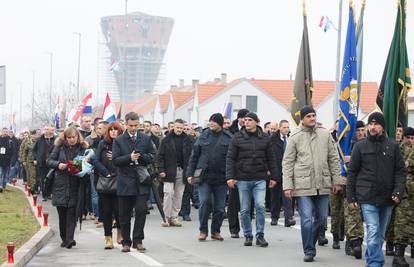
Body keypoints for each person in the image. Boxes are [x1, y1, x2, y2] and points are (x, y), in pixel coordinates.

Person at [283, 106, 342, 262]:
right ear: (302, 118)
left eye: (313, 115)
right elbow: (287, 162)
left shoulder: (324, 134)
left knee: (322, 219)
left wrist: (337, 181)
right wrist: (288, 185)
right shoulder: (295, 136)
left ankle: (311, 243)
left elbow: (333, 158)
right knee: (307, 219)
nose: (312, 118)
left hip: (322, 183)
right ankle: (309, 250)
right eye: (308, 116)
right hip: (303, 184)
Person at [347, 112, 406, 267]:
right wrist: (351, 197)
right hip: (367, 196)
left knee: (380, 234)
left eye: (376, 124)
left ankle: (370, 257)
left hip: (387, 197)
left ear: (382, 127)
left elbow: (400, 171)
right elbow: (352, 172)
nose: (372, 127)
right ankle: (375, 262)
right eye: (370, 124)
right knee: (373, 229)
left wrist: (398, 191)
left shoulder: (392, 146)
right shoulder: (360, 146)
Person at [226, 112, 278, 248]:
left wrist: (274, 176)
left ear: (256, 122)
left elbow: (271, 158)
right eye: (245, 120)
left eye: (250, 120)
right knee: (244, 209)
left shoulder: (265, 138)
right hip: (242, 178)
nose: (246, 122)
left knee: (260, 206)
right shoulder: (237, 137)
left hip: (260, 178)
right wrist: (230, 177)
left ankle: (260, 235)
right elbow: (230, 158)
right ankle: (248, 235)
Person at [112, 112, 156, 253]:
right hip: (125, 180)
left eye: (136, 125)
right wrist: (129, 157)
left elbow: (152, 156)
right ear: (125, 124)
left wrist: (141, 156)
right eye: (131, 125)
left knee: (141, 211)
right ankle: (126, 241)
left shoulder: (145, 138)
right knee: (124, 214)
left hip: (141, 181)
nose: (133, 128)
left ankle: (138, 240)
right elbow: (115, 161)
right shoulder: (119, 140)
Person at [187, 113, 232, 241]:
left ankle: (215, 231)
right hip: (204, 177)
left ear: (220, 124)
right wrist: (190, 174)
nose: (211, 123)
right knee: (205, 202)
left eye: (214, 121)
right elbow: (194, 157)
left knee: (219, 206)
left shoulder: (229, 138)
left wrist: (232, 176)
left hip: (221, 177)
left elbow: (232, 158)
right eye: (210, 121)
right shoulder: (203, 136)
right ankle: (203, 230)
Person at [47, 127, 89, 249]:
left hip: (76, 184)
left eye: (73, 137)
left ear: (78, 137)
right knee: (62, 214)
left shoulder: (83, 148)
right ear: (65, 138)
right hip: (60, 184)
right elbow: (49, 161)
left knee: (72, 212)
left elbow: (89, 163)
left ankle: (70, 239)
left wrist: (83, 165)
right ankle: (64, 238)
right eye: (69, 137)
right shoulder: (59, 147)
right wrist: (58, 164)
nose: (71, 140)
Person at [93, 121, 124, 249]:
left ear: (119, 131)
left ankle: (120, 234)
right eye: (110, 130)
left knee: (119, 211)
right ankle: (108, 238)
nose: (113, 132)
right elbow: (96, 160)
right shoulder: (102, 143)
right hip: (105, 181)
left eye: (115, 129)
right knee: (106, 211)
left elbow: (127, 159)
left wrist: (116, 158)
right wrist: (105, 172)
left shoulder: (123, 144)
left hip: (120, 180)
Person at [157, 119, 194, 226]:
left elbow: (192, 157)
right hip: (168, 170)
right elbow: (160, 156)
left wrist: (190, 172)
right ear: (173, 127)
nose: (179, 130)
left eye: (181, 128)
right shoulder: (166, 140)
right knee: (168, 193)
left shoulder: (188, 140)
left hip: (182, 171)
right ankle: (166, 217)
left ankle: (174, 217)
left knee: (179, 195)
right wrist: (161, 170)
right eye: (177, 127)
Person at [389, 126, 414, 267]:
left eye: (412, 138)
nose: (410, 141)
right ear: (403, 138)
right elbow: (404, 167)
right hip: (404, 192)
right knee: (402, 224)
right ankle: (398, 256)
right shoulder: (398, 150)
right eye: (408, 138)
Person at [343, 120, 366, 259]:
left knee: (360, 216)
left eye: (363, 130)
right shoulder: (346, 145)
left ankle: (357, 241)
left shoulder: (368, 144)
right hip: (350, 184)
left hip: (365, 186)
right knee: (351, 215)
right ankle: (353, 242)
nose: (361, 133)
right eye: (358, 130)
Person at [227, 108, 249, 238]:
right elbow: (229, 155)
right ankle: (234, 228)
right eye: (243, 119)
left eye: (247, 119)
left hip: (248, 171)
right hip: (235, 171)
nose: (245, 121)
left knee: (247, 203)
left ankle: (247, 227)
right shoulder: (231, 132)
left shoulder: (252, 131)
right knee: (234, 202)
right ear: (239, 119)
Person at [269, 120, 295, 227]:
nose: (286, 129)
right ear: (279, 128)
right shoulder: (272, 140)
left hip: (288, 171)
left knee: (288, 195)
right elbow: (270, 156)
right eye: (284, 127)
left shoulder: (291, 139)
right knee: (275, 196)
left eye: (288, 127)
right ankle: (274, 217)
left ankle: (288, 217)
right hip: (276, 170)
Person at [33, 125, 56, 200]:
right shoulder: (40, 139)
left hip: (51, 162)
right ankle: (44, 195)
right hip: (41, 162)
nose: (47, 131)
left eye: (48, 129)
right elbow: (34, 150)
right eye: (45, 129)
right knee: (43, 179)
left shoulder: (55, 139)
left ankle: (49, 194)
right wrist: (35, 159)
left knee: (50, 178)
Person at [19, 130, 38, 195]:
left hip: (38, 161)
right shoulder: (28, 142)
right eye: (32, 134)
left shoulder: (38, 142)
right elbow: (24, 152)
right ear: (31, 135)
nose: (33, 136)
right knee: (31, 175)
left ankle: (31, 187)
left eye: (34, 134)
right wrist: (23, 160)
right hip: (29, 161)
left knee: (36, 175)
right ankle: (32, 189)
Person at [0, 127, 16, 192]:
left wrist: (12, 159)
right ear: (1, 131)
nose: (5, 132)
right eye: (4, 131)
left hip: (7, 160)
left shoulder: (10, 141)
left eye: (6, 131)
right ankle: (0, 186)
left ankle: (4, 186)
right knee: (0, 173)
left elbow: (13, 151)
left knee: (6, 174)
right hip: (0, 160)